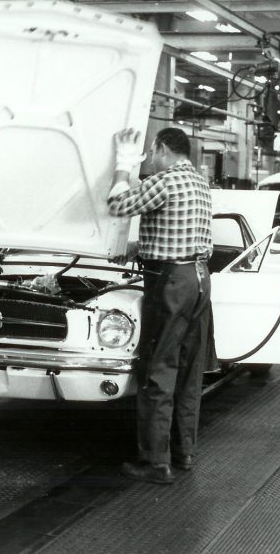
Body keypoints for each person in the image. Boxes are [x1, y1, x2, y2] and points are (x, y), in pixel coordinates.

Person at [106, 127, 213, 485]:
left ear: (162, 148)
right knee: (187, 369)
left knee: (157, 368)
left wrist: (123, 164)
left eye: (152, 152)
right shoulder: (198, 183)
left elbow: (116, 205)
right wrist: (139, 247)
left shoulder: (165, 180)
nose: (150, 159)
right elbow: (183, 233)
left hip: (169, 284)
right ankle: (183, 452)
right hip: (197, 279)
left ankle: (154, 462)